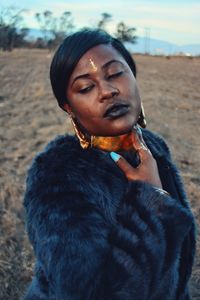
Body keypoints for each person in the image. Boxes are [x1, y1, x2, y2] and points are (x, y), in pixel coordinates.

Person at [23, 29, 196, 300]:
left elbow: (176, 266)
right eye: (85, 87)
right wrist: (149, 200)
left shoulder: (154, 148)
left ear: (134, 77)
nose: (107, 91)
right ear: (70, 108)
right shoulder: (58, 177)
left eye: (115, 73)